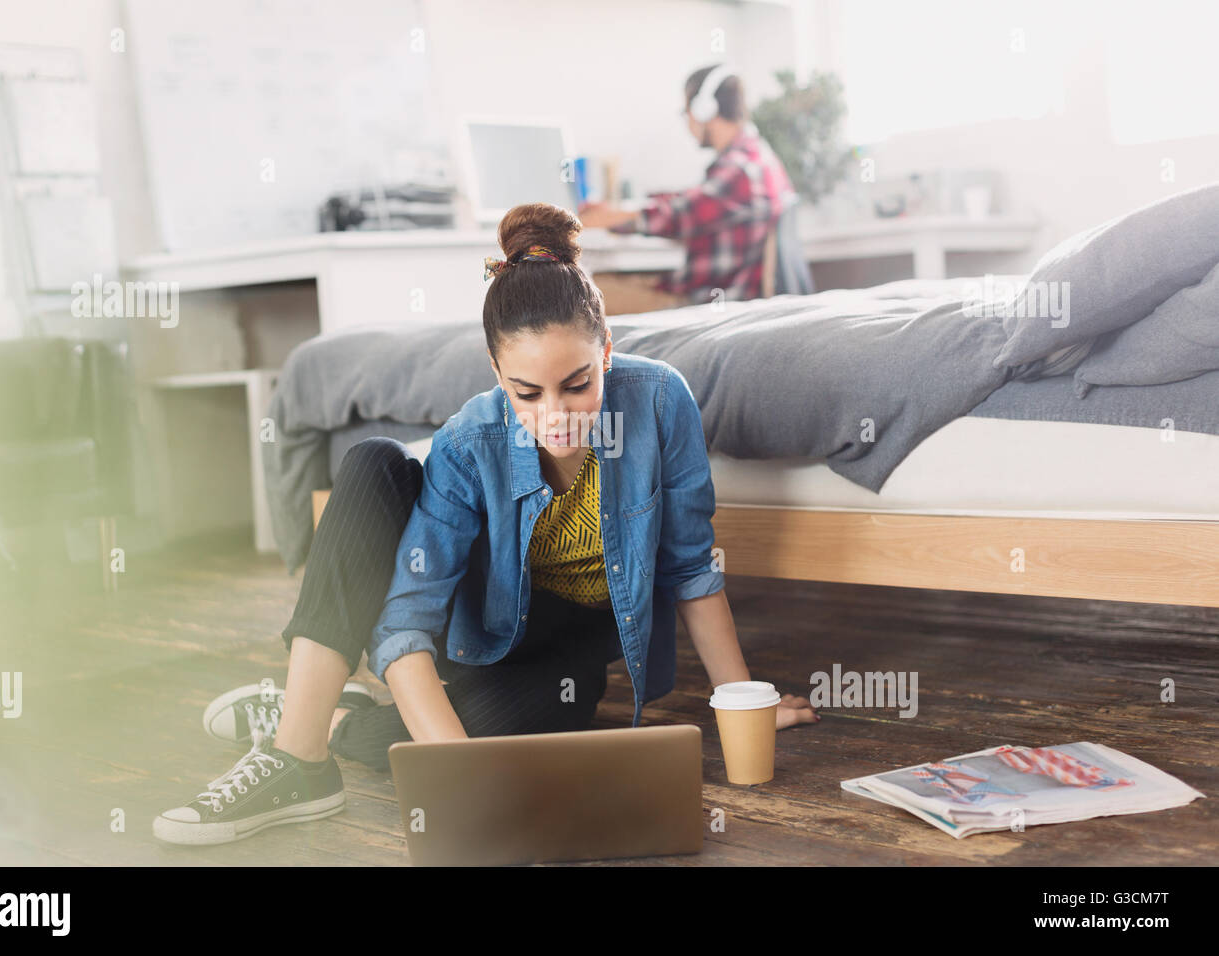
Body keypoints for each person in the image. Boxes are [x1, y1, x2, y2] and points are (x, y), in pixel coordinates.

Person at [152, 202, 817, 846]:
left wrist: (743, 698)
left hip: (574, 644)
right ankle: (297, 755)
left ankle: (333, 713)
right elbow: (406, 618)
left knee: (547, 716)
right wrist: (460, 780)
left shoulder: (660, 400)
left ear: (607, 352)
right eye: (527, 393)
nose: (555, 414)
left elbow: (688, 565)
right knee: (373, 463)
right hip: (482, 624)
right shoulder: (468, 442)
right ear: (498, 372)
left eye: (577, 384)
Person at [579, 63, 794, 311]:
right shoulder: (754, 157)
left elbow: (678, 215)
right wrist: (624, 208)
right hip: (704, 294)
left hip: (704, 305)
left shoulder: (741, 169)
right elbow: (695, 200)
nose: (688, 121)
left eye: (686, 111)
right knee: (591, 286)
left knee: (576, 296)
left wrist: (608, 218)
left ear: (704, 109)